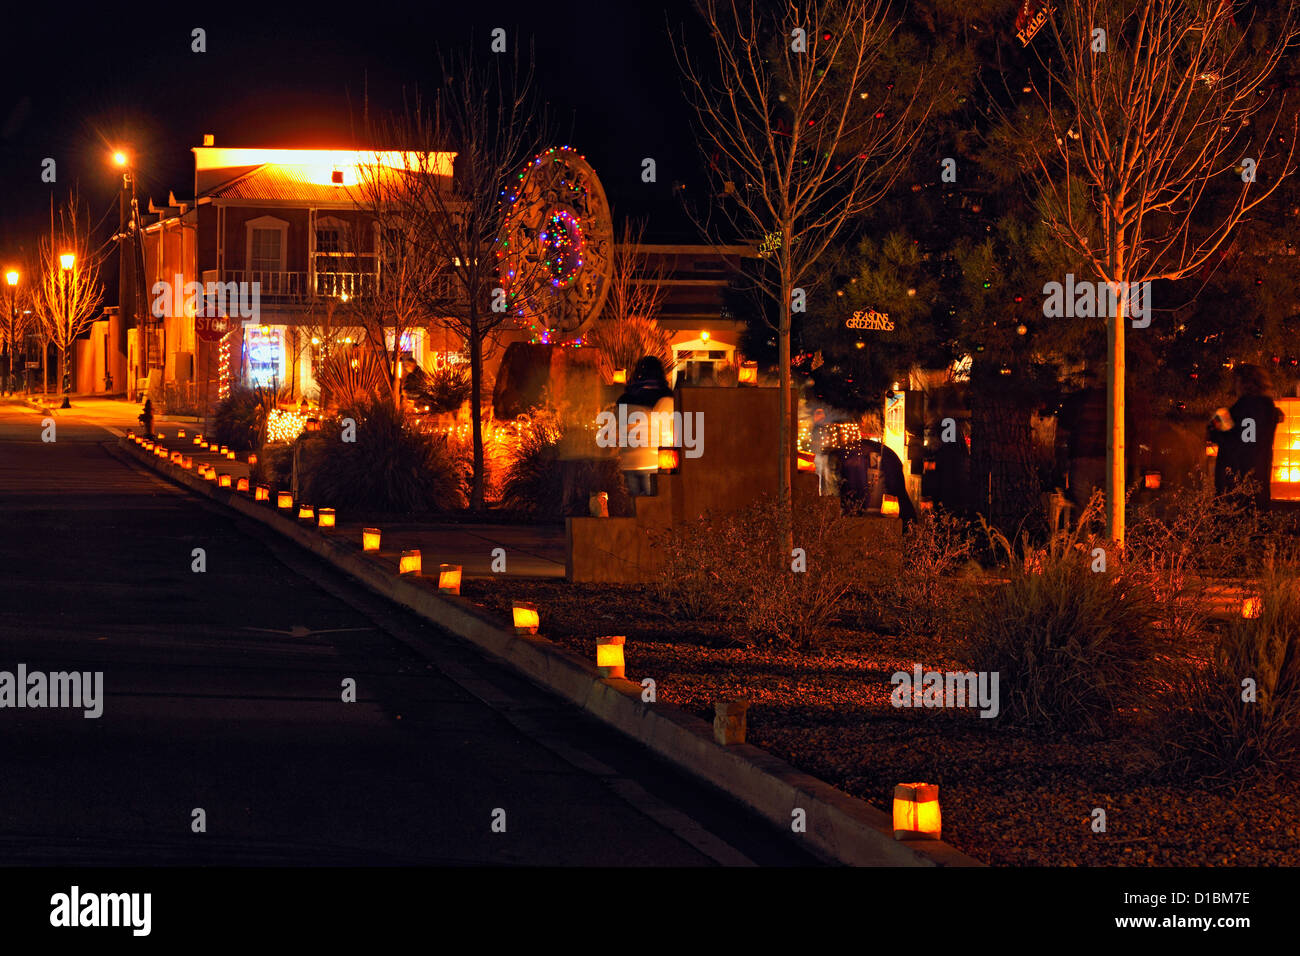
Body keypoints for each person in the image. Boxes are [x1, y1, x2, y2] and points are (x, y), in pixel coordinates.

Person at [1208, 363, 1283, 511]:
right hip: (1258, 478)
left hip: (1237, 481)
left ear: (1243, 382)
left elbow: (1239, 441)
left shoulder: (1245, 407)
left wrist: (1217, 425)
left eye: (1236, 381)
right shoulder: (1267, 408)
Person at [615, 356, 674, 497]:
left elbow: (617, 429)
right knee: (653, 506)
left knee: (634, 506)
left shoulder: (625, 399)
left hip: (628, 462)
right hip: (653, 462)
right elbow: (670, 431)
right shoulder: (667, 398)